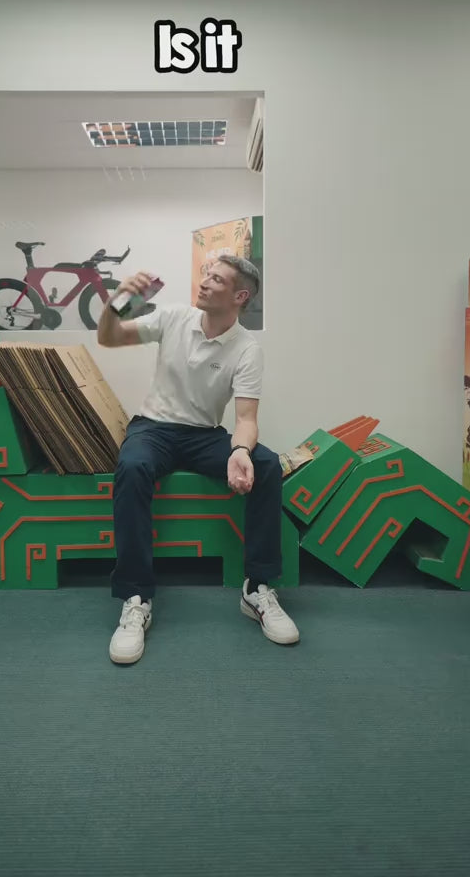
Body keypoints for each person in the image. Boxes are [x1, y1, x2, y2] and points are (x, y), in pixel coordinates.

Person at [97, 254, 299, 665]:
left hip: (203, 435)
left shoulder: (247, 348)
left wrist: (240, 451)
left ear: (240, 296)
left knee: (265, 464)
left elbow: (246, 419)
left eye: (217, 279)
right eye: (207, 274)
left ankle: (257, 588)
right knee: (133, 467)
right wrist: (120, 300)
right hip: (153, 428)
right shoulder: (174, 317)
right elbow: (110, 337)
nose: (204, 282)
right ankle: (136, 597)